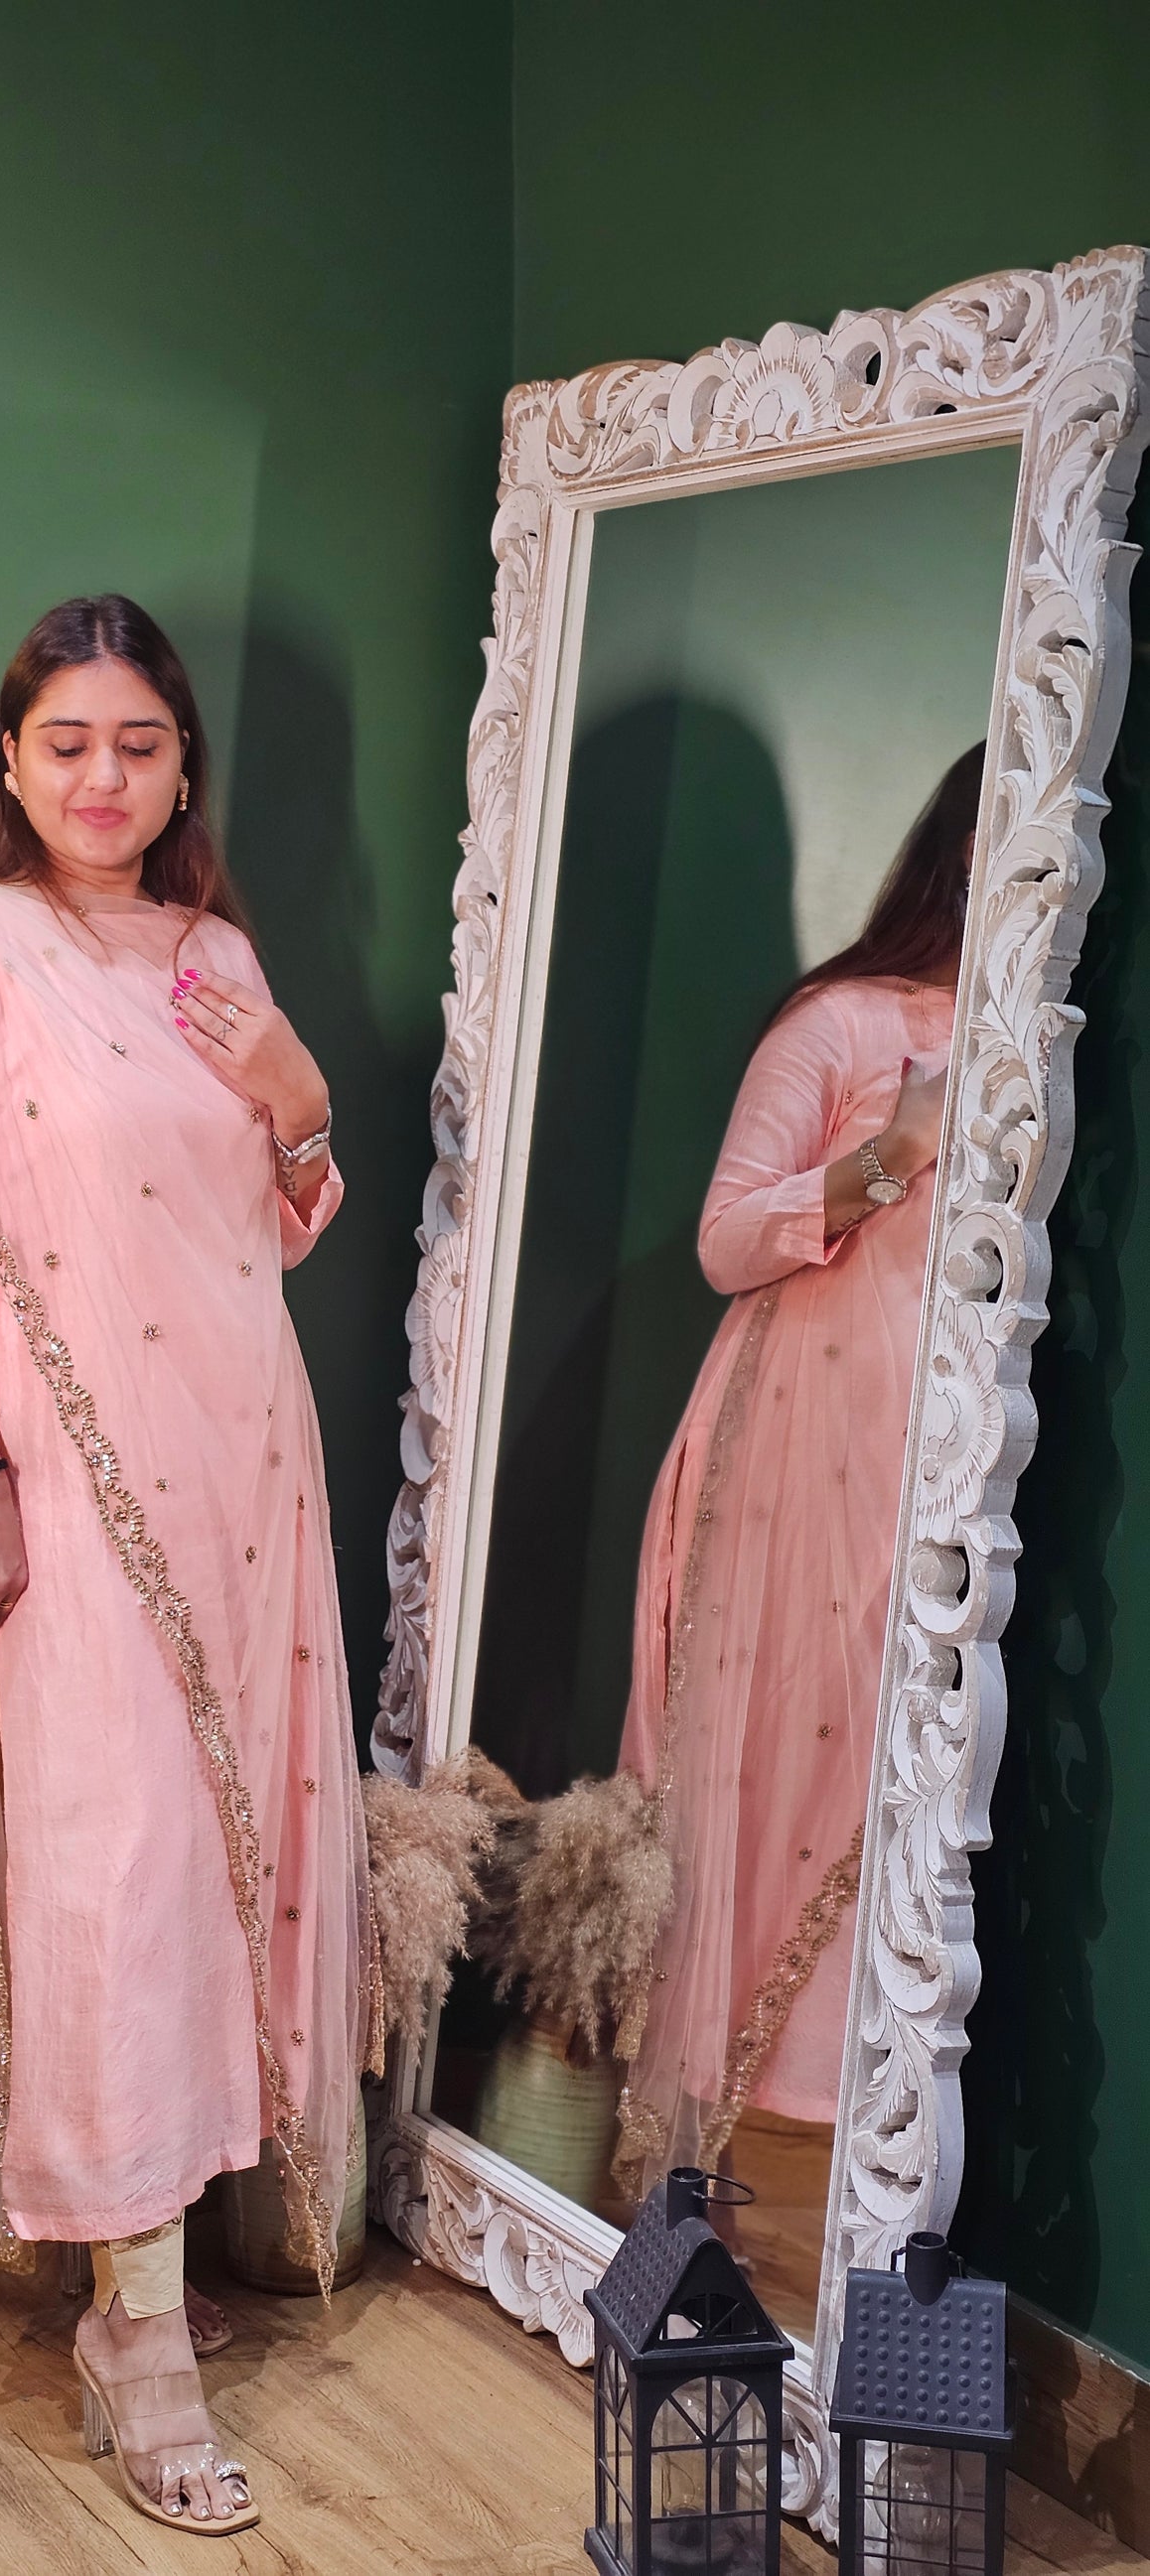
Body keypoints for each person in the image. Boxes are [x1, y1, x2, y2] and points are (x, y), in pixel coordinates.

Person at [0, 595, 378, 2537]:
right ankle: (137, 2336)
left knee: (224, 1868)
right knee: (115, 1878)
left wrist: (299, 1097)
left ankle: (148, 2270)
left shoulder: (214, 957)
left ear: (179, 768)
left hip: (244, 1464)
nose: (100, 776)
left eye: (138, 744)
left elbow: (274, 1226)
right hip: (71, 1483)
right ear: (9, 760)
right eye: (65, 740)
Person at [614, 742, 984, 2197]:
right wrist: (895, 1152)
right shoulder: (845, 1024)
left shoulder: (1060, 1052)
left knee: (921, 1807)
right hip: (792, 1468)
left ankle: (863, 2219)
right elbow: (724, 1242)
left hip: (952, 1479)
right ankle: (687, 2199)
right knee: (765, 1789)